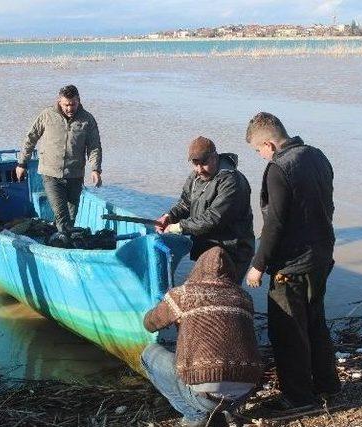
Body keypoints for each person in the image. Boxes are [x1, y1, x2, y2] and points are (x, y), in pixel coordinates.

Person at [244, 112, 341, 410]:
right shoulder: (317, 155)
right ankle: (328, 384)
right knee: (315, 322)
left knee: (287, 331)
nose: (260, 156)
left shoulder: (278, 169)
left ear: (270, 144)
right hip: (322, 255)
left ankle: (298, 397)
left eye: (258, 150)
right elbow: (329, 203)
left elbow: (275, 223)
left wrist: (259, 264)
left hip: (293, 265)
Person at [141, 247, 263, 427]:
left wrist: (166, 306)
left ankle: (195, 414)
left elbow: (150, 324)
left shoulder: (183, 293)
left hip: (205, 396)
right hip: (244, 393)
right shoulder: (244, 297)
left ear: (197, 268)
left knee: (148, 354)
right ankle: (225, 411)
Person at [156, 136, 255, 283]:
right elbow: (185, 204)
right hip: (206, 247)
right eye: (195, 164)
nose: (199, 169)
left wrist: (177, 227)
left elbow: (213, 218)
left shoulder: (231, 181)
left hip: (232, 251)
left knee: (223, 298)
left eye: (204, 163)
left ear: (215, 157)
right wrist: (170, 216)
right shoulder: (195, 177)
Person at [16, 85, 102, 238]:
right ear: (59, 102)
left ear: (78, 101)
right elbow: (30, 139)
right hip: (50, 174)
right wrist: (22, 163)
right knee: (62, 215)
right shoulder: (47, 115)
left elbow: (94, 147)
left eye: (73, 104)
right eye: (66, 104)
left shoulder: (87, 120)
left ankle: (56, 238)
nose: (70, 108)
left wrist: (95, 169)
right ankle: (65, 246)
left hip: (75, 175)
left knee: (71, 215)